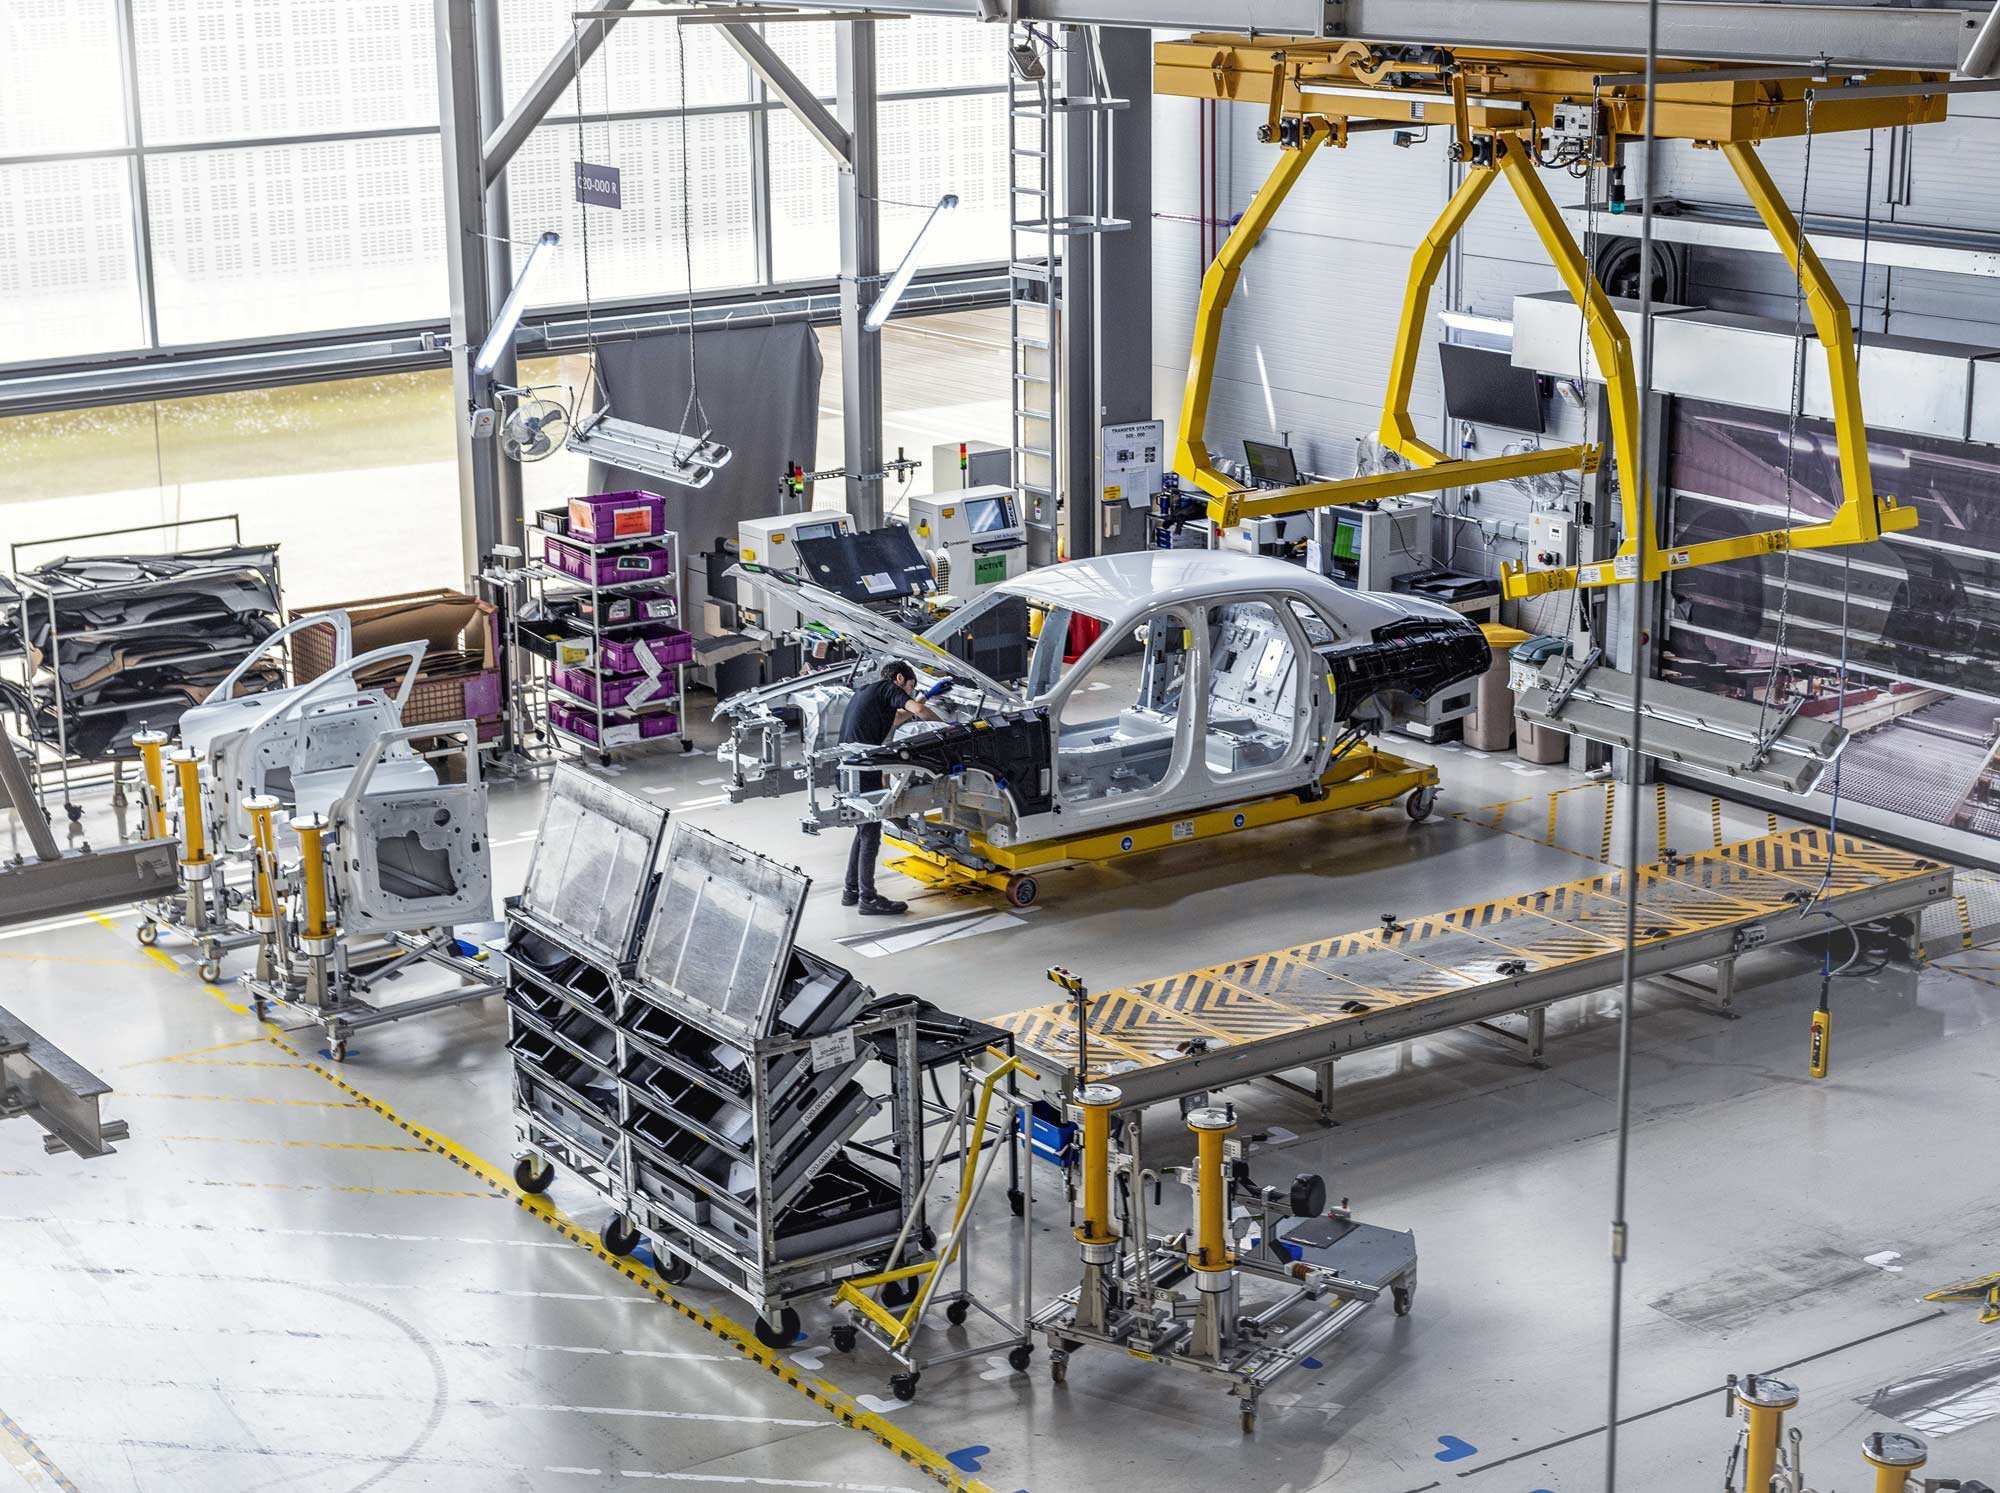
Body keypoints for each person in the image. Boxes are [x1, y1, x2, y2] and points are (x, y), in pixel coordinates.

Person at [839, 658, 943, 915]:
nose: (908, 692)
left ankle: (851, 890)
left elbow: (897, 718)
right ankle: (868, 898)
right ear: (899, 679)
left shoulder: (869, 691)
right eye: (910, 686)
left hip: (846, 767)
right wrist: (947, 728)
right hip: (862, 770)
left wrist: (925, 697)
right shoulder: (890, 688)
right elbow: (916, 711)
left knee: (863, 830)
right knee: (871, 832)